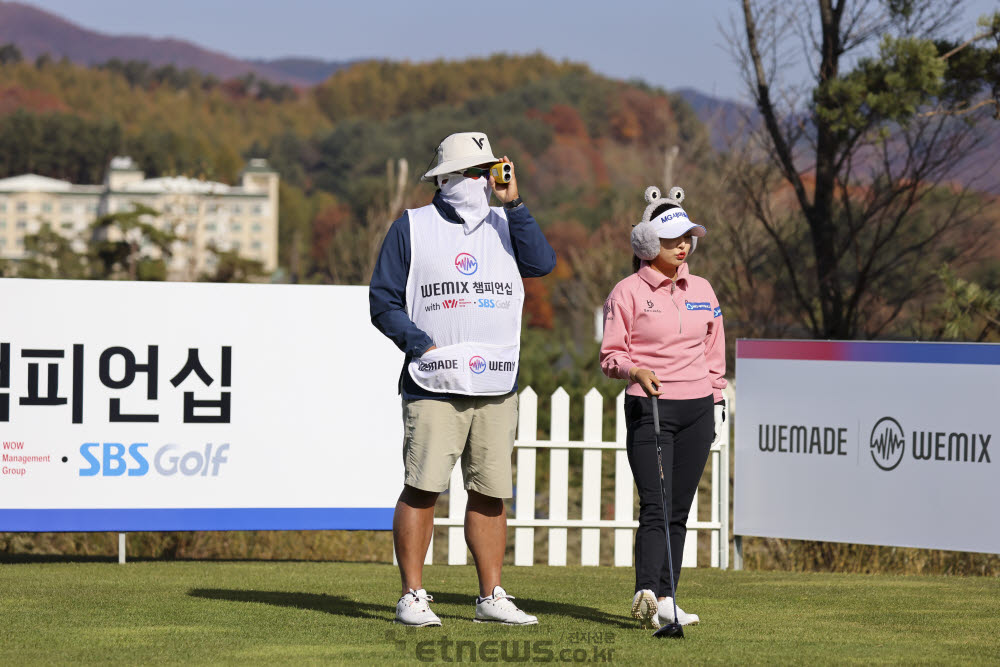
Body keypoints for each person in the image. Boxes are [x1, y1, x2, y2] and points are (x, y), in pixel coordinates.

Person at [370, 131, 556, 627]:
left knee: (491, 491)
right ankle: (412, 595)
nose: (482, 181)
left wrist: (514, 204)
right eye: (475, 173)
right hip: (432, 381)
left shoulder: (507, 222)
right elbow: (382, 300)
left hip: (495, 381)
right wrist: (418, 343)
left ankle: (491, 595)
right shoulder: (411, 227)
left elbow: (542, 263)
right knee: (422, 486)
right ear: (447, 179)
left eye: (488, 171)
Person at [599, 185, 726, 630]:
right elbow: (611, 356)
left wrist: (716, 397)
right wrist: (635, 371)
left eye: (687, 237)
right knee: (656, 504)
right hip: (650, 409)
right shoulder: (627, 292)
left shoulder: (704, 288)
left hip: (697, 411)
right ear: (647, 244)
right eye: (673, 239)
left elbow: (714, 351)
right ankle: (646, 591)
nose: (683, 245)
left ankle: (669, 598)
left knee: (679, 509)